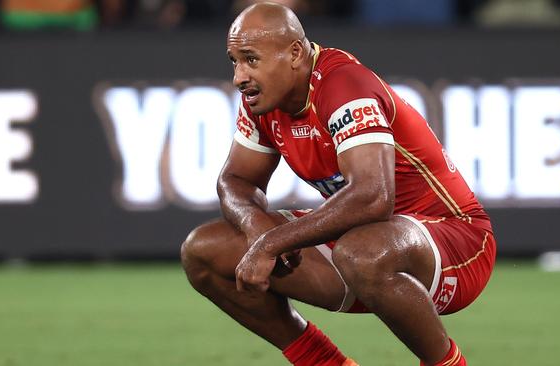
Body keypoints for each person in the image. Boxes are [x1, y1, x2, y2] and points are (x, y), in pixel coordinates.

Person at [180, 3, 497, 365]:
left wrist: (272, 242)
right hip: (364, 244)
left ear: (295, 53)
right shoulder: (261, 101)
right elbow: (235, 180)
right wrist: (256, 228)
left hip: (458, 242)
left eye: (250, 59)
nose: (239, 77)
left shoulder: (343, 84)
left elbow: (373, 196)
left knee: (360, 252)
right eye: (234, 61)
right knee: (204, 251)